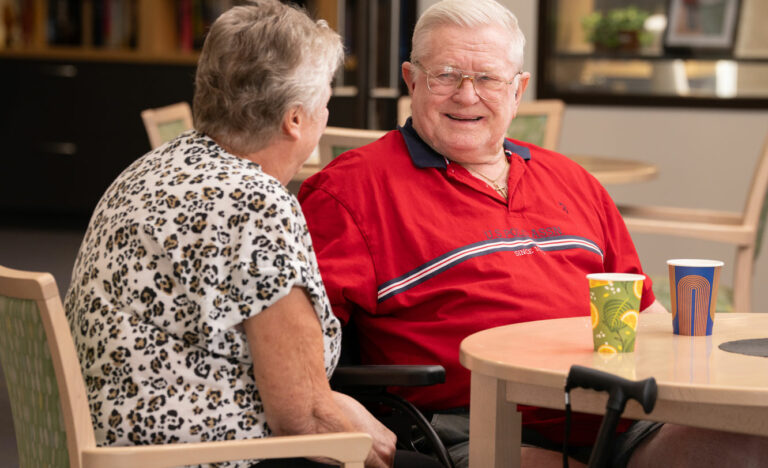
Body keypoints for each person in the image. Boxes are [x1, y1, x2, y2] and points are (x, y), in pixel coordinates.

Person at [298, 1, 768, 467]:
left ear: (518, 89)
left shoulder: (572, 180)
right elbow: (294, 346)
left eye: (487, 78)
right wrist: (331, 407)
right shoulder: (349, 191)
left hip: (621, 418)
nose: (466, 95)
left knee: (750, 445)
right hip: (474, 426)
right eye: (445, 74)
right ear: (411, 79)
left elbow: (644, 312)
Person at [64, 2, 443, 467]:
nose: (329, 105)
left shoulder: (151, 167)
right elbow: (301, 419)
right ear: (296, 119)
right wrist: (363, 432)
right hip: (210, 455)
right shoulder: (255, 203)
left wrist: (333, 404)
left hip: (119, 446)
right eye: (326, 92)